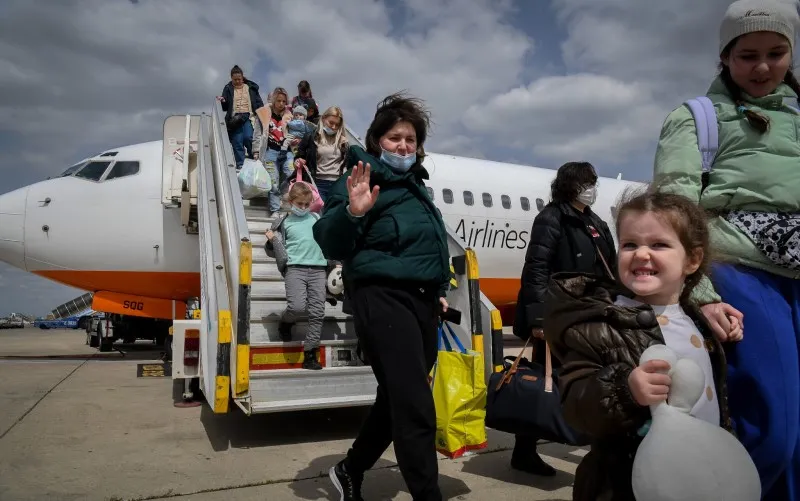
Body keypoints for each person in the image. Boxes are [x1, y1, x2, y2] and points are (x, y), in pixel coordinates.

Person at [653, 1, 800, 497]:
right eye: (747, 55)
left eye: (776, 53)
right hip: (742, 273)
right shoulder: (697, 118)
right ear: (725, 58)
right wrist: (704, 291)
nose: (762, 67)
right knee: (772, 434)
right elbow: (675, 211)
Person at [543, 190, 741, 500]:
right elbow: (576, 407)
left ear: (692, 260)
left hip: (697, 478)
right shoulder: (603, 324)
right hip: (628, 484)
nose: (641, 254)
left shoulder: (697, 321)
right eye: (630, 244)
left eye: (659, 244)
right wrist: (625, 390)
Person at [313, 92, 450, 501]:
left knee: (395, 400)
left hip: (421, 302)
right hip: (380, 297)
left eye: (410, 139)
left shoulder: (415, 188)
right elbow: (328, 239)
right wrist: (352, 212)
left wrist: (438, 290)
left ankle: (350, 469)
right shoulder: (360, 177)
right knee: (415, 406)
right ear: (377, 141)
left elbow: (430, 248)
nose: (403, 146)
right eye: (394, 138)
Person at [511, 161, 616, 476]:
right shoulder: (551, 218)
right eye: (586, 182)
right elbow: (536, 268)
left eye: (593, 182)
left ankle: (597, 450)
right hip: (558, 316)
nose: (591, 188)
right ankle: (523, 451)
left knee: (593, 382)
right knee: (544, 384)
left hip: (589, 315)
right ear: (569, 185)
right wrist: (539, 319)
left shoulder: (594, 221)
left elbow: (607, 267)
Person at [264, 183, 326, 370]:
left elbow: (325, 239)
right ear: (291, 202)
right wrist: (271, 240)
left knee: (317, 313)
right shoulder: (283, 222)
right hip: (295, 269)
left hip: (318, 268)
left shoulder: (316, 217)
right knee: (297, 307)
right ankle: (286, 322)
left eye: (307, 204)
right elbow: (272, 251)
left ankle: (310, 353)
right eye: (300, 204)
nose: (304, 208)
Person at [293, 106, 349, 203]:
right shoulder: (311, 137)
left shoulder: (343, 141)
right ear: (323, 119)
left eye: (337, 125)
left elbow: (347, 164)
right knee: (318, 214)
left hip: (337, 184)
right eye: (331, 123)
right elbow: (299, 156)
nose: (334, 127)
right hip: (317, 183)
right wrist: (298, 161)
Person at [218, 65, 265, 169]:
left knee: (248, 137)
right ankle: (240, 165)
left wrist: (261, 113)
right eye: (235, 80)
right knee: (237, 141)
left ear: (243, 77)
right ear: (231, 78)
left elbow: (258, 102)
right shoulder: (228, 88)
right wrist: (223, 101)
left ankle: (254, 160)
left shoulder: (250, 87)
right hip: (234, 118)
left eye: (239, 79)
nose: (237, 81)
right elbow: (225, 107)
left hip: (248, 116)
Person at [258, 87, 296, 214]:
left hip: (287, 151)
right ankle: (275, 209)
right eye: (279, 101)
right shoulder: (264, 113)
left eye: (284, 102)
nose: (281, 104)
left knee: (291, 173)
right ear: (274, 100)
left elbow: (296, 133)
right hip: (270, 151)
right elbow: (257, 133)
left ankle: (284, 194)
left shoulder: (289, 116)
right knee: (273, 181)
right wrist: (255, 151)